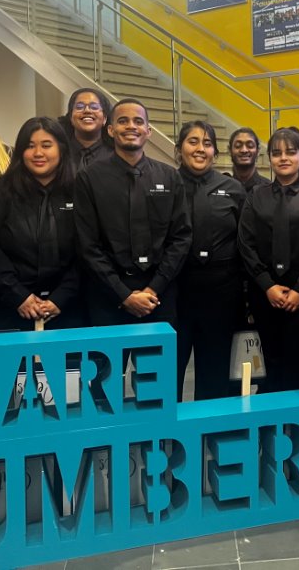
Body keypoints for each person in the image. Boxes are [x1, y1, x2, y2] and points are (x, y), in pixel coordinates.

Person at [75, 98, 192, 326]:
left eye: (138, 121)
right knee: (108, 364)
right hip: (108, 296)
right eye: (123, 121)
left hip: (159, 296)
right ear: (110, 130)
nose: (131, 126)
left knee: (158, 364)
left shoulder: (169, 177)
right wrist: (123, 294)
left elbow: (181, 238)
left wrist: (153, 288)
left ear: (148, 131)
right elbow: (87, 245)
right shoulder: (89, 178)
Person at [238, 127, 299, 393]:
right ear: (269, 159)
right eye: (276, 153)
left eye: (291, 152)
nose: (283, 158)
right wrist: (267, 285)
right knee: (271, 362)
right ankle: (270, 429)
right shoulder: (257, 194)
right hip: (264, 291)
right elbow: (246, 243)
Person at [0, 117, 84, 331]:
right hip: (9, 306)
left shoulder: (80, 191)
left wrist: (61, 297)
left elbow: (89, 248)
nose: (38, 153)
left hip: (69, 307)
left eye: (46, 145)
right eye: (29, 146)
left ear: (62, 149)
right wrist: (19, 296)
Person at [174, 121, 246, 400]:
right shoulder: (165, 183)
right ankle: (169, 437)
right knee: (171, 370)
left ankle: (210, 435)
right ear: (179, 149)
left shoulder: (233, 189)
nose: (200, 149)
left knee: (214, 372)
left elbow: (244, 243)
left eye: (207, 143)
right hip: (176, 293)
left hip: (221, 295)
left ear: (215, 152)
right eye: (192, 142)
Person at [60, 87, 112, 170]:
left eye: (94, 107)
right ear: (70, 118)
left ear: (105, 119)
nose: (87, 110)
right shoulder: (59, 153)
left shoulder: (116, 156)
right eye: (80, 107)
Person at [226, 127, 269, 193]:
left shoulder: (268, 189)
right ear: (229, 150)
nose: (244, 150)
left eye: (250, 145)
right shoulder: (223, 188)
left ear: (258, 151)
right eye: (238, 146)